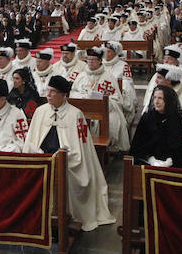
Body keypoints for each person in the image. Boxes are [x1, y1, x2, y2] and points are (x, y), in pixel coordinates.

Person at [24, 75, 115, 231]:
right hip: (42, 157)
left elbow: (81, 150)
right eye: (48, 91)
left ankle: (62, 215)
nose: (48, 95)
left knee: (68, 176)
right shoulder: (40, 111)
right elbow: (31, 141)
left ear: (63, 94)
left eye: (53, 92)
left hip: (67, 160)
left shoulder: (75, 114)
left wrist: (62, 157)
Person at [70, 46, 130, 151]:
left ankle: (108, 148)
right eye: (88, 59)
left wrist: (103, 101)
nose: (90, 62)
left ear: (100, 61)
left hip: (105, 110)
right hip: (83, 110)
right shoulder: (81, 76)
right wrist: (85, 97)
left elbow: (117, 99)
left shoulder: (109, 77)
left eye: (93, 60)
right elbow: (73, 93)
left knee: (113, 121)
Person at [129, 84, 182, 168]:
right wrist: (151, 159)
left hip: (172, 162)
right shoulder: (147, 117)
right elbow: (137, 145)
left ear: (168, 100)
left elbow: (179, 146)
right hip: (148, 160)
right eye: (154, 97)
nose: (156, 101)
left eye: (160, 98)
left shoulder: (176, 118)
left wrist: (169, 161)